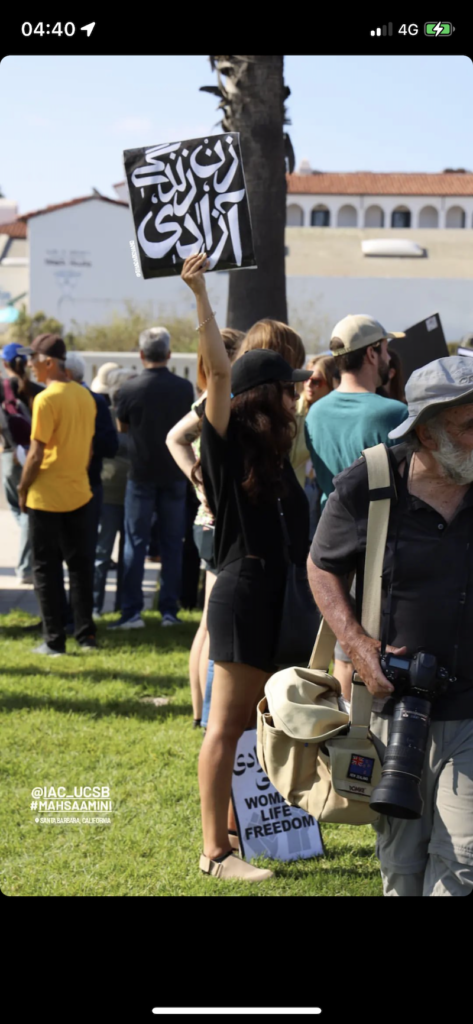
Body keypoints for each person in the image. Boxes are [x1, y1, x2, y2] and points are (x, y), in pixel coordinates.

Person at [308, 355, 473, 897]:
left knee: (464, 862)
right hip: (394, 710)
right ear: (427, 432)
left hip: (471, 710)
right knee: (401, 869)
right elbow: (321, 564)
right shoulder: (371, 482)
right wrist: (355, 644)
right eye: (470, 425)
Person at [181, 251, 313, 882]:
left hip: (275, 593)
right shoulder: (226, 435)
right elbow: (216, 369)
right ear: (264, 393)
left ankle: (238, 831)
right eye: (290, 387)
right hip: (240, 588)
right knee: (227, 725)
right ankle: (214, 853)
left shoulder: (278, 455)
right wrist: (203, 294)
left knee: (259, 722)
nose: (299, 394)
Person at [305, 315, 409, 699]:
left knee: (345, 649)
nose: (387, 357)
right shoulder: (392, 414)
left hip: (331, 545)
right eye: (384, 348)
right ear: (371, 353)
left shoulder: (316, 412)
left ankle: (349, 737)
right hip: (380, 546)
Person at [166, 329, 244, 728]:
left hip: (208, 522)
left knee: (205, 626)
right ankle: (204, 715)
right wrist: (201, 485)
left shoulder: (213, 400)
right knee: (212, 628)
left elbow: (177, 439)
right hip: (213, 524)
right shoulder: (214, 400)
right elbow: (174, 438)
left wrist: (200, 485)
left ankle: (200, 714)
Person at [17, 334, 97, 656]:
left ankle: (54, 640)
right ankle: (86, 635)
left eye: (33, 360)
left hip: (46, 496)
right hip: (79, 491)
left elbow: (35, 454)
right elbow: (89, 450)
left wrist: (23, 488)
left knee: (46, 569)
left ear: (49, 362)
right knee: (80, 567)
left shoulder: (46, 399)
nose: (30, 366)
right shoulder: (86, 397)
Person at [110, 327, 194, 629]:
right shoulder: (184, 388)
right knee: (172, 544)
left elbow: (122, 428)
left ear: (141, 354)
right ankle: (169, 611)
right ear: (169, 354)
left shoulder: (130, 389)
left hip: (141, 473)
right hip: (175, 472)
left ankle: (131, 612)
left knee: (135, 543)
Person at [91, 367, 137, 617]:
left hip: (133, 493)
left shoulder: (138, 418)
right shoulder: (105, 416)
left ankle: (123, 607)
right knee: (102, 552)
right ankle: (95, 606)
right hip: (109, 494)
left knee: (128, 555)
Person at [0, 342, 44, 583]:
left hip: (11, 455)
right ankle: (30, 557)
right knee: (27, 508)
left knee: (21, 510)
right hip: (35, 454)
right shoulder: (37, 389)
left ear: (5, 363)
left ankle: (25, 568)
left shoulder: (2, 386)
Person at [299, 354, 339, 537]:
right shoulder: (294, 413)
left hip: (327, 490)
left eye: (316, 381)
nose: (308, 385)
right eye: (306, 379)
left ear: (331, 383)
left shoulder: (336, 416)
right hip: (303, 489)